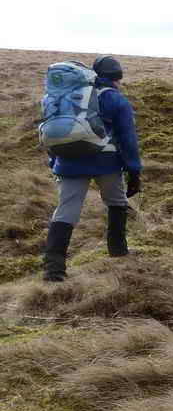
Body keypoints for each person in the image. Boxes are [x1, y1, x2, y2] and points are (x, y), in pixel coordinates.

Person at [41, 56, 143, 282]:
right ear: (117, 77)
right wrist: (134, 170)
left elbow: (52, 132)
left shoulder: (63, 97)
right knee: (117, 202)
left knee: (66, 211)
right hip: (106, 162)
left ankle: (53, 269)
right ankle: (118, 252)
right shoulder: (115, 99)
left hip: (68, 162)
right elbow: (128, 138)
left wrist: (55, 162)